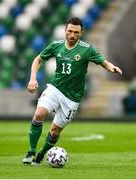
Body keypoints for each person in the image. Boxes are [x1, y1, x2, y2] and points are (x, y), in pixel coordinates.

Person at [22, 17, 122, 165]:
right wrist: (32, 79)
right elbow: (38, 60)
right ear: (65, 31)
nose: (72, 34)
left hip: (73, 98)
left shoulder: (87, 49)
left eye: (76, 32)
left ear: (81, 33)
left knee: (55, 131)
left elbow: (103, 62)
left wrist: (111, 68)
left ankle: (41, 154)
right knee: (39, 113)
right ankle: (31, 152)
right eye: (69, 31)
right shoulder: (56, 46)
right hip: (55, 89)